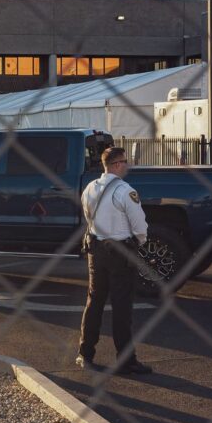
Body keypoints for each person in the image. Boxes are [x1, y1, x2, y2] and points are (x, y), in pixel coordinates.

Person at [76, 147, 152, 375]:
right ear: (117, 164)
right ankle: (125, 360)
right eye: (125, 162)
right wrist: (140, 241)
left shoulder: (90, 187)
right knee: (121, 307)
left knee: (94, 302)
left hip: (96, 250)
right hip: (120, 252)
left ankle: (85, 354)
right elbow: (140, 225)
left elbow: (87, 215)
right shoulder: (124, 191)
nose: (127, 165)